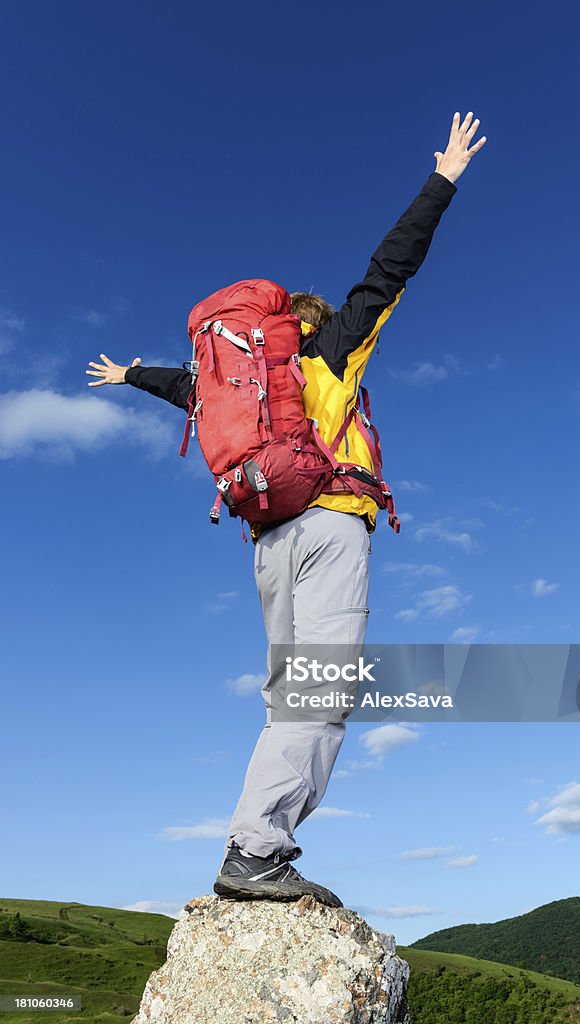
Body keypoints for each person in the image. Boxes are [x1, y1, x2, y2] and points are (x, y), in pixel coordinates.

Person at [86, 110, 487, 908]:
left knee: (290, 696)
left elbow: (189, 389)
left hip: (268, 540)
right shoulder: (330, 352)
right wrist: (441, 180)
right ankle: (256, 848)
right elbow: (388, 268)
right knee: (320, 694)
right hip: (333, 523)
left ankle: (255, 841)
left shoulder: (235, 386)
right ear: (305, 327)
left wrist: (131, 373)